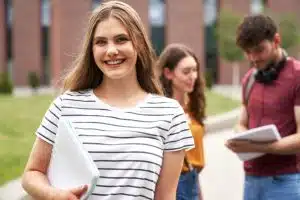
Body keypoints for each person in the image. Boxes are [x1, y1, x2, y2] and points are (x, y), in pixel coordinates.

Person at [21, 1, 195, 200]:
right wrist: (54, 195)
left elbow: (165, 197)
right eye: (101, 42)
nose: (111, 50)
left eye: (121, 40)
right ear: (91, 49)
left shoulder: (170, 114)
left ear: (138, 43)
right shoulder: (64, 106)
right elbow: (31, 174)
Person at [226, 14, 300, 200]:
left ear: (276, 40)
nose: (253, 58)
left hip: (285, 182)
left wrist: (259, 146)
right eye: (248, 52)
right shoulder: (249, 79)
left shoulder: (297, 76)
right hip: (251, 181)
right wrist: (239, 138)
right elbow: (242, 122)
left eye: (259, 50)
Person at [157, 43, 206, 200]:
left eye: (195, 70)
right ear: (168, 73)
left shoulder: (193, 106)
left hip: (192, 180)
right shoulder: (160, 109)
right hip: (172, 184)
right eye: (186, 71)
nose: (193, 76)